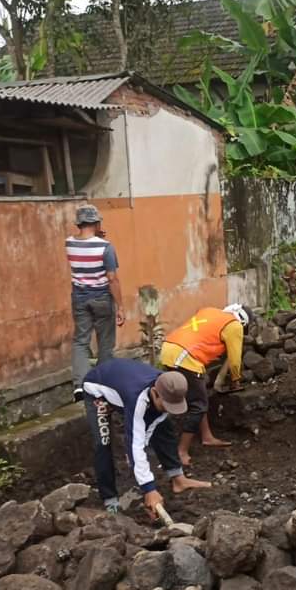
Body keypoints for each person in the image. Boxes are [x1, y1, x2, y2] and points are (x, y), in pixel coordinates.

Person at [81, 358, 211, 515]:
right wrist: (149, 489)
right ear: (155, 393)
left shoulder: (170, 386)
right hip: (97, 389)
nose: (168, 409)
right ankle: (110, 500)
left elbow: (151, 428)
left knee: (165, 427)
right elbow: (135, 444)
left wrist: (140, 459)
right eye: (166, 405)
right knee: (102, 442)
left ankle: (178, 479)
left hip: (124, 381)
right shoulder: (137, 400)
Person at [159, 304, 252, 465]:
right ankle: (181, 451)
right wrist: (236, 381)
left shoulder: (209, 311)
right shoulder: (234, 325)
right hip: (185, 357)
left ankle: (207, 436)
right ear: (243, 322)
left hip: (169, 349)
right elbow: (235, 359)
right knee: (199, 405)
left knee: (199, 398)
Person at [67, 205, 124, 402]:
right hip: (101, 298)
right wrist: (120, 306)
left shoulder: (69, 243)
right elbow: (112, 278)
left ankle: (79, 386)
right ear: (97, 223)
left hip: (79, 297)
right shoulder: (106, 247)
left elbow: (83, 243)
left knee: (81, 340)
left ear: (79, 223)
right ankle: (103, 383)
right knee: (105, 342)